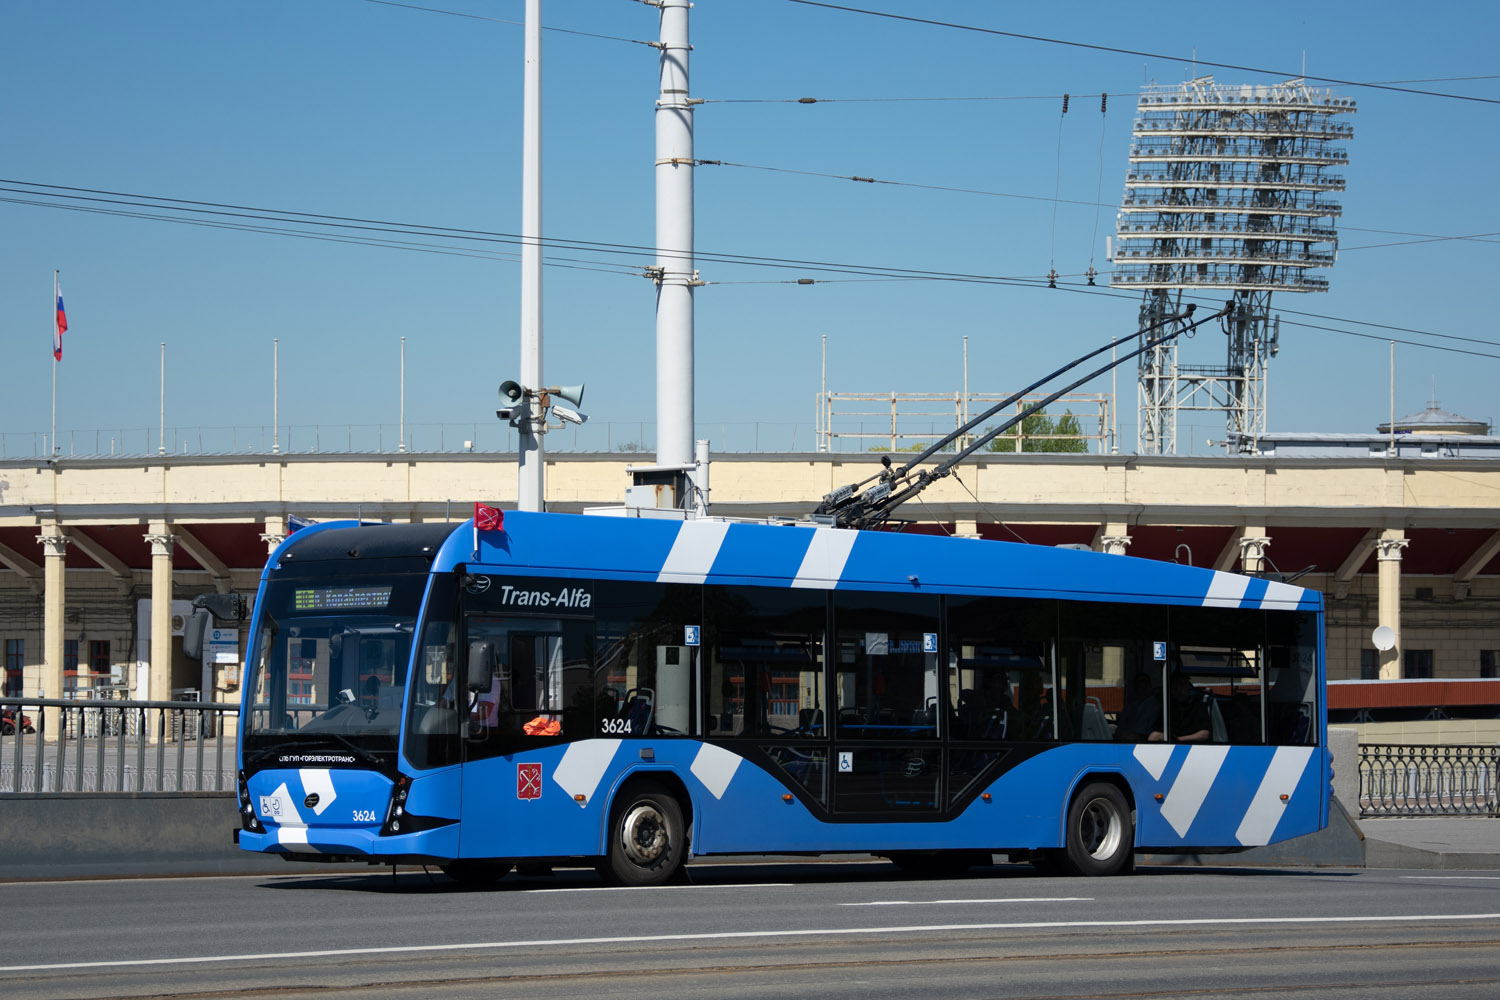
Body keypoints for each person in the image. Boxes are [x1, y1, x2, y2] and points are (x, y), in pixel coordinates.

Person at [1148, 671, 1211, 743]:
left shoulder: (1198, 705)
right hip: (1170, 742)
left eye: (1184, 683)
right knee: (1154, 736)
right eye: (1178, 683)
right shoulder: (1168, 706)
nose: (1182, 686)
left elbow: (1204, 734)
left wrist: (1179, 740)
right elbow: (1158, 729)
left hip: (1191, 744)